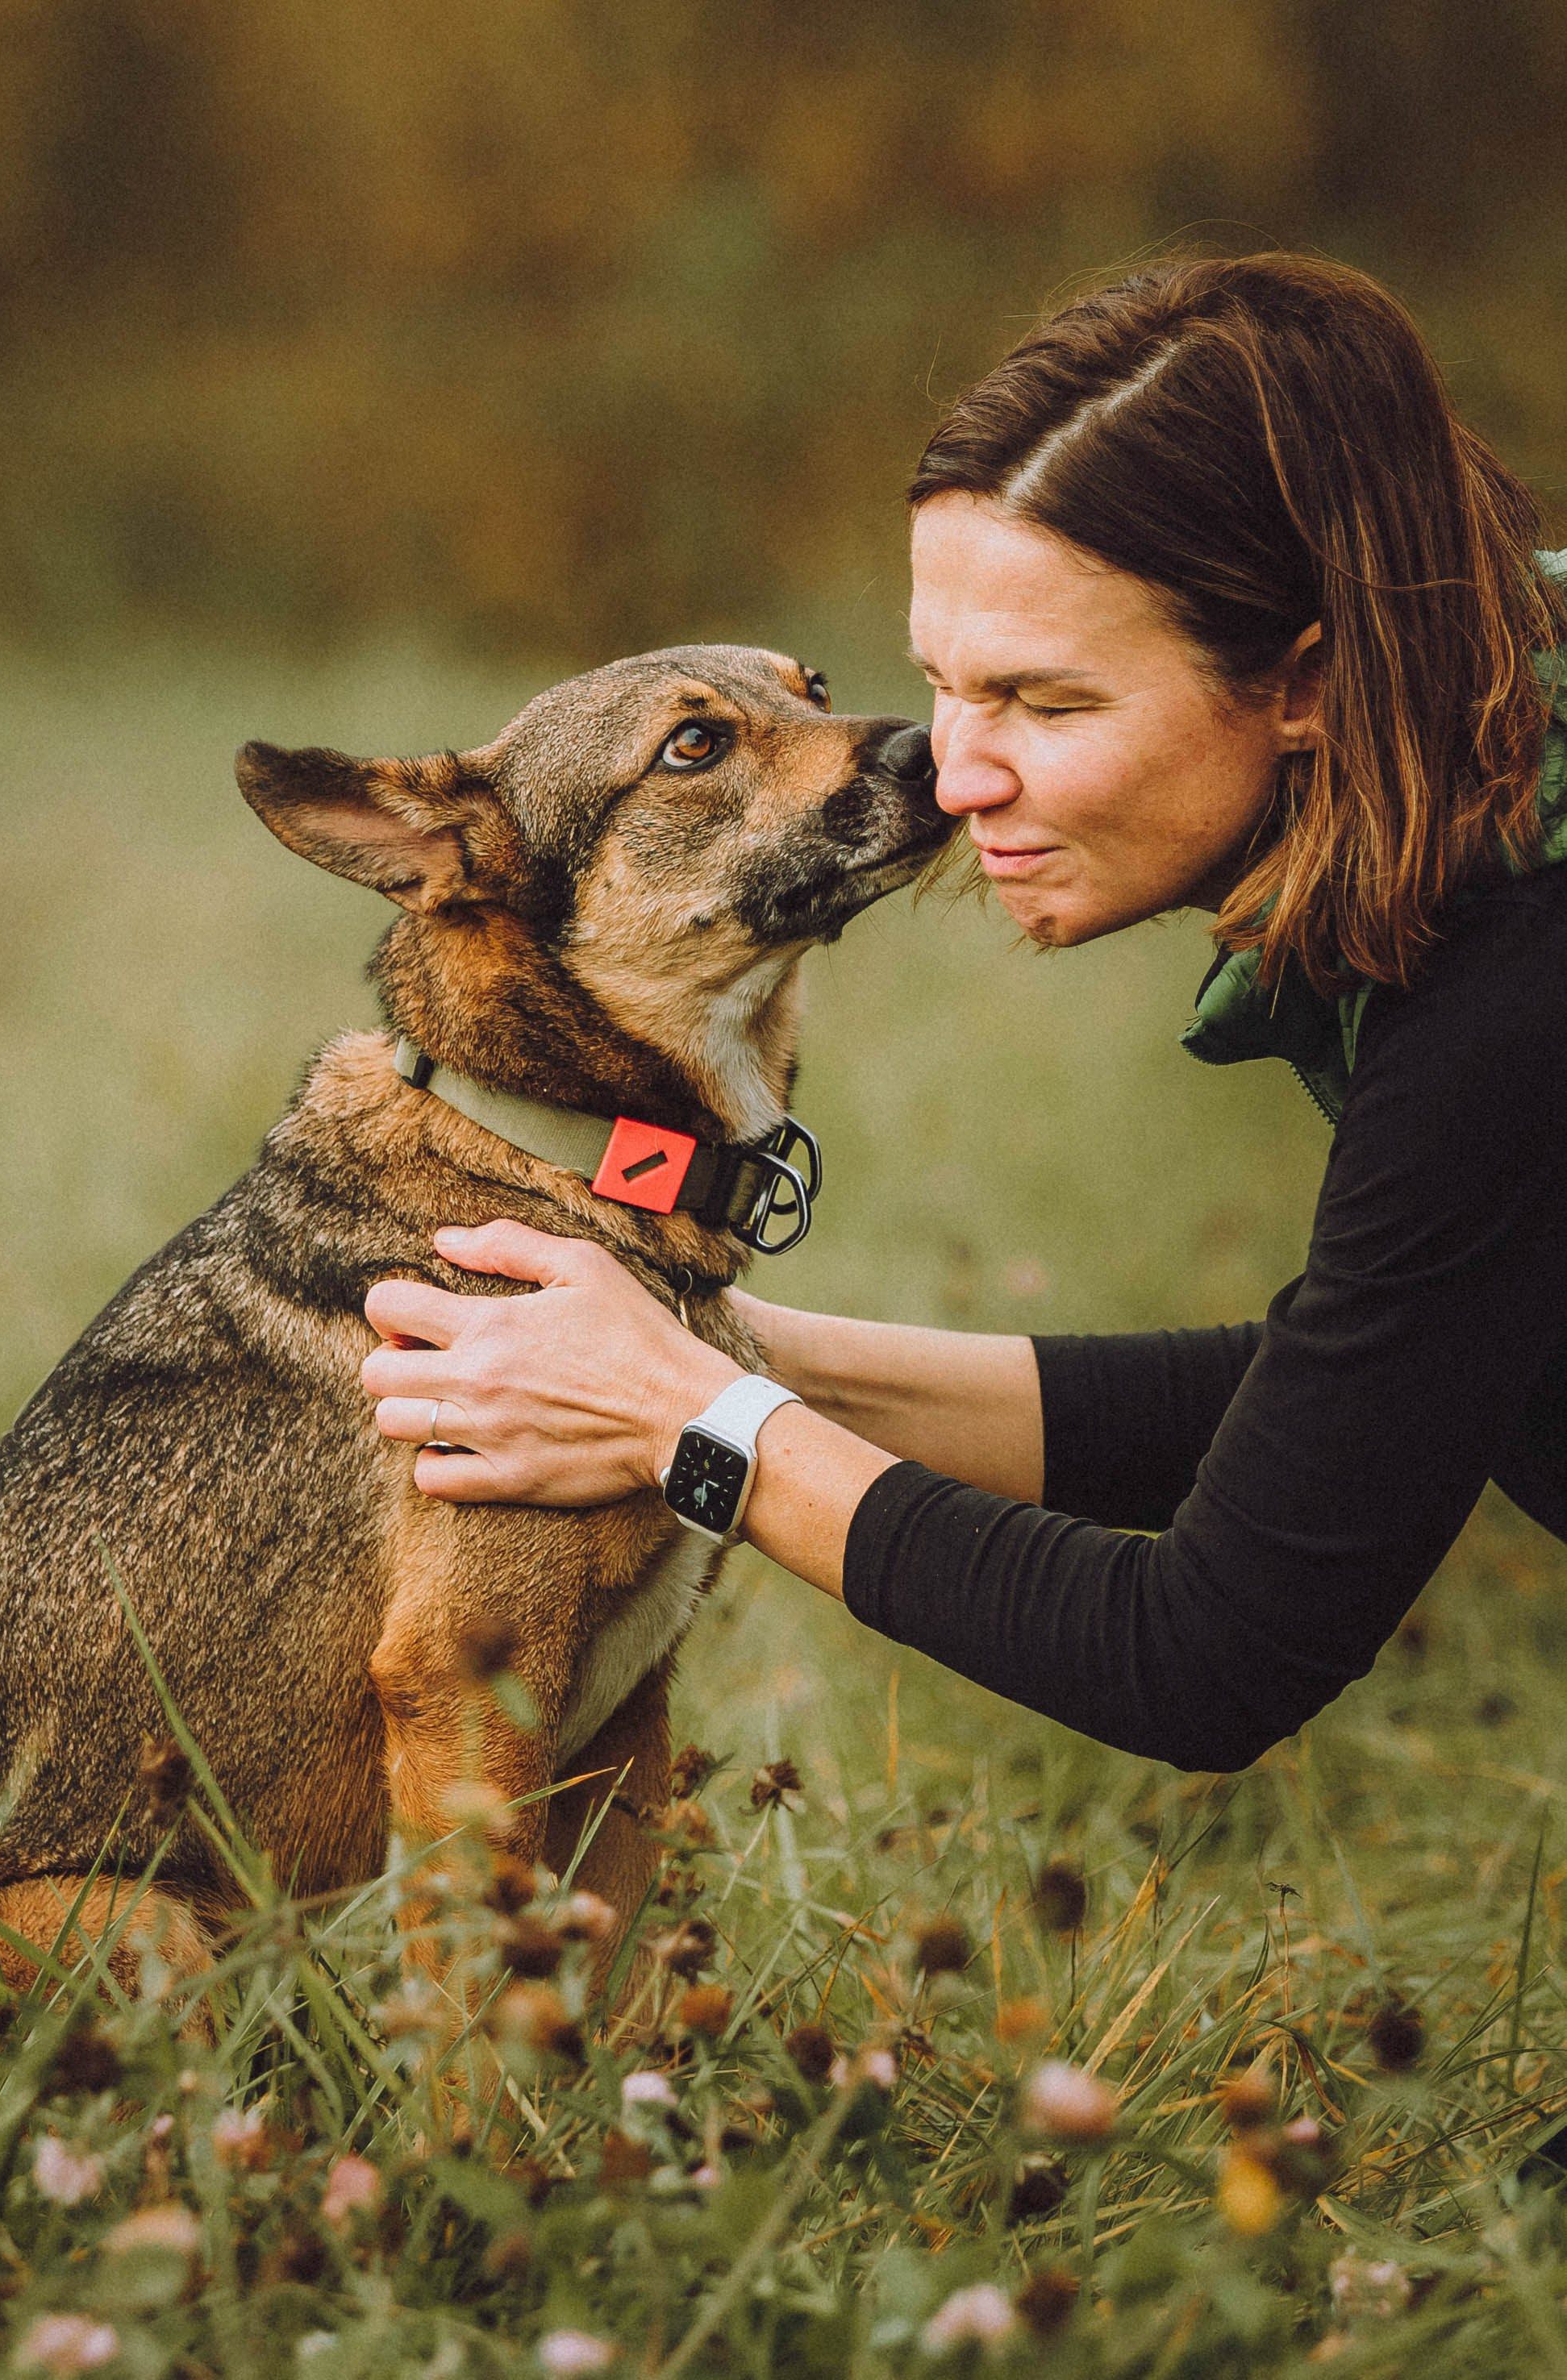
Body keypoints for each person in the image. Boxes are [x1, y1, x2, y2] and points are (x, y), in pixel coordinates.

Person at [359, 252, 1567, 1778]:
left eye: (1048, 706)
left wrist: (699, 1421)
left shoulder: (1512, 991)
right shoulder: (1504, 818)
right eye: (945, 685)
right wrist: (718, 1347)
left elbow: (1206, 1651)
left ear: (1310, 681)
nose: (952, 770)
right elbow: (1358, 1396)